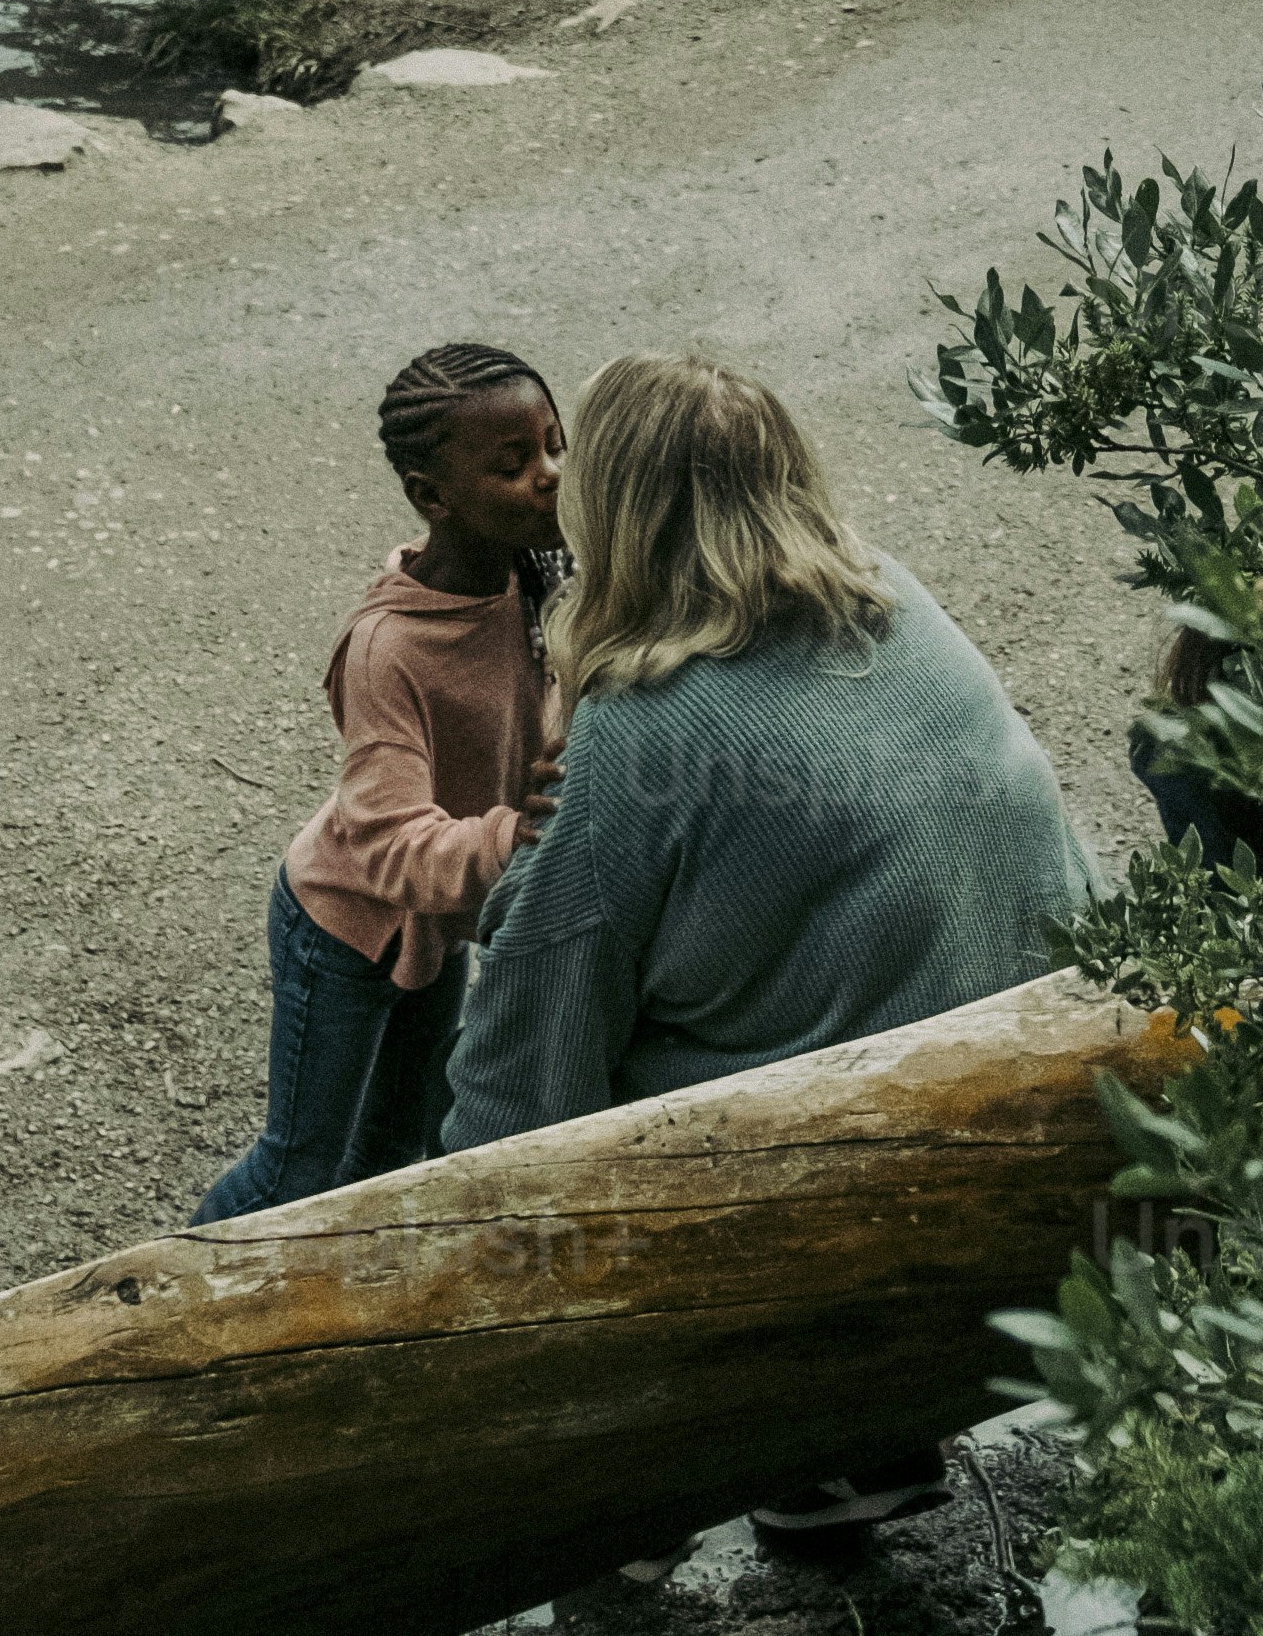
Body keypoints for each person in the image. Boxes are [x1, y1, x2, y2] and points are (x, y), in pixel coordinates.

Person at [440, 352, 1095, 1151]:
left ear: (613, 510)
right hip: (1067, 1056)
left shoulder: (643, 718)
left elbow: (525, 1053)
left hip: (874, 1149)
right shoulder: (891, 594)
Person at [193, 337, 567, 1223]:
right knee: (297, 1173)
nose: (550, 476)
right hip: (344, 926)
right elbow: (386, 840)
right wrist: (516, 833)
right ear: (432, 497)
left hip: (433, 925)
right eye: (513, 465)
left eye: (556, 446)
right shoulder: (387, 649)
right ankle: (175, 1304)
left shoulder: (540, 573)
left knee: (397, 1152)